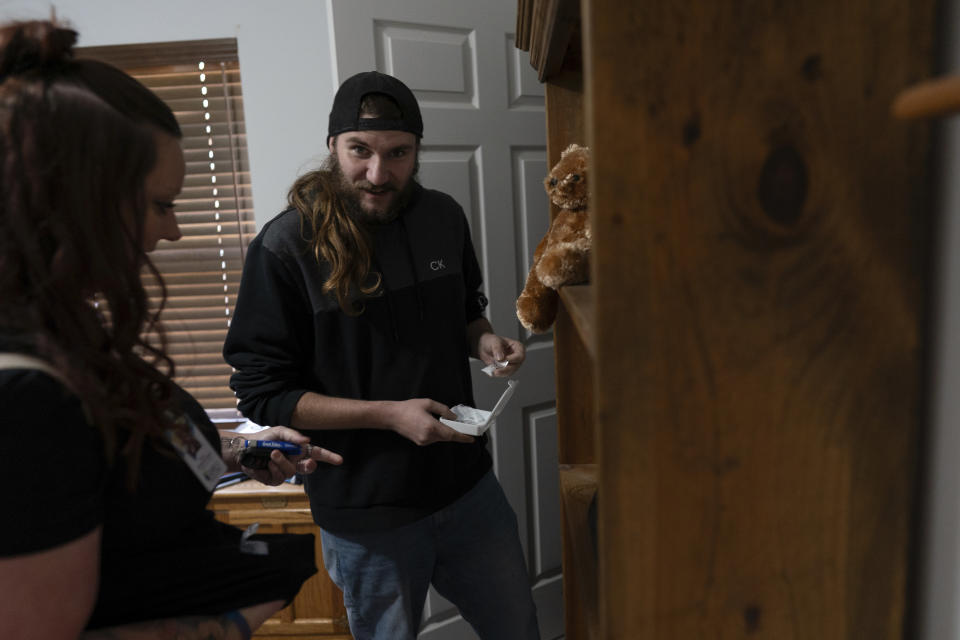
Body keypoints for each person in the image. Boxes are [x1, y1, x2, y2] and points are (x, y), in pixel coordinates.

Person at [0, 20, 343, 640]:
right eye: (160, 205)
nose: (175, 233)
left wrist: (244, 451)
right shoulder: (23, 398)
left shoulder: (64, 331)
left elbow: (116, 460)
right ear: (74, 203)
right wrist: (222, 627)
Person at [222, 70, 541, 639]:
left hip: (467, 489)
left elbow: (467, 311)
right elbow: (264, 391)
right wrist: (388, 415)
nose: (377, 172)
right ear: (333, 147)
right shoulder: (285, 246)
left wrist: (485, 341)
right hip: (366, 511)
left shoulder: (443, 216)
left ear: (417, 151)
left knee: (518, 629)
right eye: (360, 151)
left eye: (397, 153)